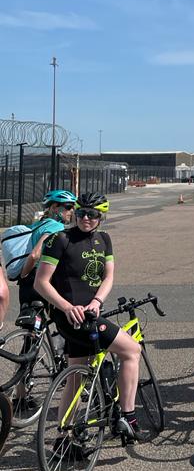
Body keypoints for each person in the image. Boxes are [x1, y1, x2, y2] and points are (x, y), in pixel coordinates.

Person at [32, 191, 143, 443]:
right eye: (81, 213)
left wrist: (97, 301)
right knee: (131, 350)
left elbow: (108, 276)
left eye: (93, 215)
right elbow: (41, 282)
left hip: (91, 314)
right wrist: (66, 306)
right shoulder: (59, 239)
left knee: (75, 376)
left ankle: (64, 437)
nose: (86, 219)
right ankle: (128, 416)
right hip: (73, 318)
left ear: (101, 217)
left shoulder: (104, 239)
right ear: (75, 213)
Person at [16, 189, 77, 306]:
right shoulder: (56, 226)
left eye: (74, 207)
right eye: (68, 207)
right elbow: (35, 254)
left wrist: (24, 277)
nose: (72, 211)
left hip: (29, 278)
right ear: (54, 207)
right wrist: (23, 275)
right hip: (43, 276)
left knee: (31, 319)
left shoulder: (38, 224)